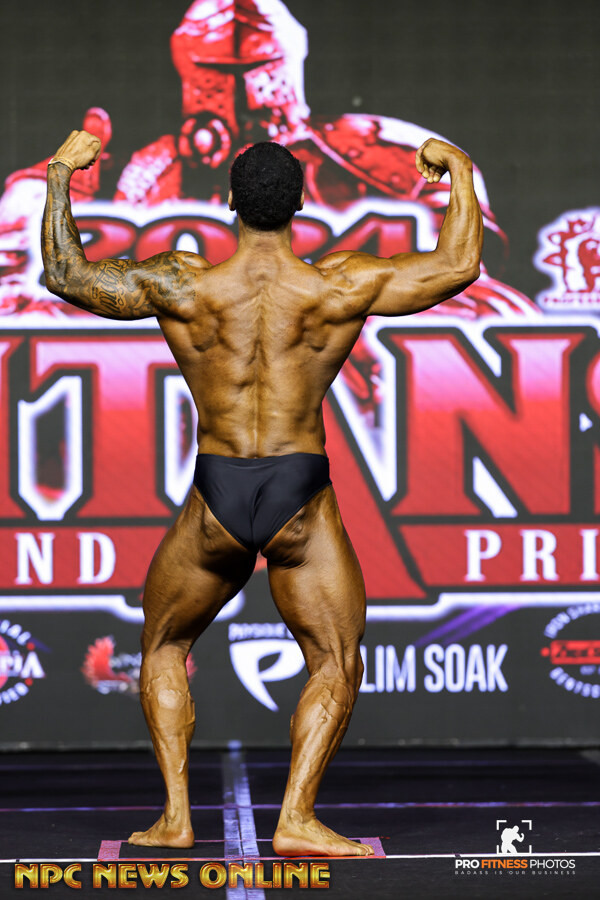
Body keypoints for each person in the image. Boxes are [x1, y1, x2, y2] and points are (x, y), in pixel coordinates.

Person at [42, 130, 482, 857]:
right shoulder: (338, 285)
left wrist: (62, 171)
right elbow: (458, 263)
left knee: (164, 645)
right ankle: (296, 818)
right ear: (301, 205)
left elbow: (66, 273)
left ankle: (175, 818)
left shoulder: (183, 284)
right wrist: (457, 168)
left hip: (217, 492)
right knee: (335, 659)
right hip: (298, 492)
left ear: (229, 203)